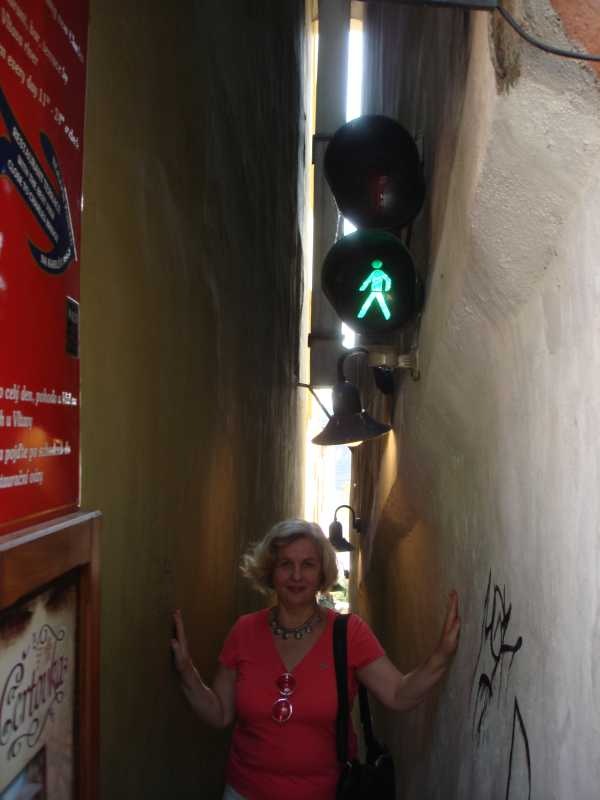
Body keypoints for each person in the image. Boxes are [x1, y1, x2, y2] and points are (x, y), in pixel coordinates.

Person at [171, 519, 460, 800]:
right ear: (270, 571)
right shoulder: (244, 631)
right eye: (286, 564)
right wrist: (186, 670)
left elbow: (398, 694)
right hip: (244, 791)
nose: (296, 575)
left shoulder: (348, 634)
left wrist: (441, 656)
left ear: (322, 574)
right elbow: (220, 713)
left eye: (308, 564)